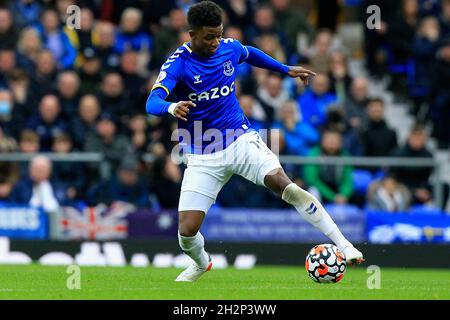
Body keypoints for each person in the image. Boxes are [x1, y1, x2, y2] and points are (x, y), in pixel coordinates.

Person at [146, 1, 363, 282]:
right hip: (202, 153)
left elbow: (250, 54)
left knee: (285, 184)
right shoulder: (178, 64)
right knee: (186, 232)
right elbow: (152, 101)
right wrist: (172, 107)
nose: (215, 42)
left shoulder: (228, 47)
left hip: (240, 139)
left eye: (218, 34)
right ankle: (201, 262)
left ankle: (345, 246)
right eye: (208, 37)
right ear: (192, 34)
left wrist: (285, 69)